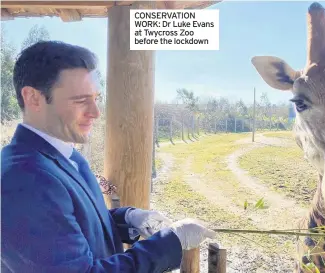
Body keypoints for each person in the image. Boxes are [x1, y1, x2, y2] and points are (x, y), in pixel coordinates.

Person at [1, 41, 216, 273]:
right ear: (33, 98)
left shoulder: (62, 155)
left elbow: (73, 224)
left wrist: (129, 219)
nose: (95, 112)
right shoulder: (24, 178)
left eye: (95, 98)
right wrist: (171, 242)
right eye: (81, 100)